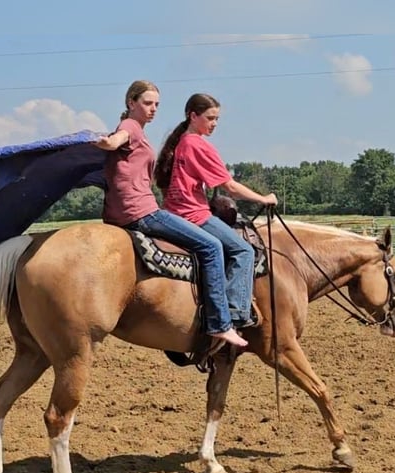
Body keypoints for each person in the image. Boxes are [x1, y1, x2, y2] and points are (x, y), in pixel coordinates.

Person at [94, 81, 247, 347]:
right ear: (131, 103)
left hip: (118, 213)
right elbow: (119, 137)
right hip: (142, 212)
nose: (153, 109)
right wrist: (109, 142)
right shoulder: (130, 126)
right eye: (147, 103)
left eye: (156, 105)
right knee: (211, 247)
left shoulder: (140, 130)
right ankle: (220, 323)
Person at [155, 93, 278, 330]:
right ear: (193, 116)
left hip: (174, 212)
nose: (214, 124)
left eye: (217, 119)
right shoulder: (197, 144)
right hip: (193, 215)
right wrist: (264, 198)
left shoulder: (180, 142)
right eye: (210, 118)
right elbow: (230, 187)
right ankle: (235, 311)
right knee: (243, 250)